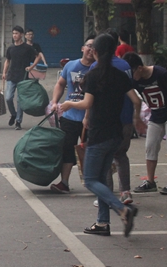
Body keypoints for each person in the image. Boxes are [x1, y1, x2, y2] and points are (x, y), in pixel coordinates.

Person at [60, 33, 142, 237]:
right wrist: (137, 119)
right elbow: (136, 100)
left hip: (99, 134)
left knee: (90, 180)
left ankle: (122, 209)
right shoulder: (120, 75)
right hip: (116, 133)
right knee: (102, 180)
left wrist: (69, 103)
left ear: (95, 51)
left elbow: (87, 103)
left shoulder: (93, 75)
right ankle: (102, 223)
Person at [123, 52, 167, 195]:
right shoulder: (134, 80)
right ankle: (150, 181)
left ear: (139, 68)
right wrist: (136, 118)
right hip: (156, 115)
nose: (132, 77)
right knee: (150, 146)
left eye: (133, 72)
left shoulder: (160, 73)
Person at [92, 28, 136, 206]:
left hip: (106, 120)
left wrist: (86, 117)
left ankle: (106, 195)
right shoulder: (125, 66)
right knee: (121, 155)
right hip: (126, 117)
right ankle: (125, 192)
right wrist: (137, 118)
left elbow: (92, 99)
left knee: (105, 158)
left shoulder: (97, 68)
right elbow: (134, 96)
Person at [48, 36, 96, 194]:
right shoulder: (71, 65)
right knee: (67, 149)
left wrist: (88, 116)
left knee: (91, 151)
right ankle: (64, 183)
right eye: (89, 46)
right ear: (83, 48)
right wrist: (55, 102)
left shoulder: (97, 69)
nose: (91, 49)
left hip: (90, 119)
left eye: (94, 47)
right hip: (69, 117)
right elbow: (60, 84)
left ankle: (95, 184)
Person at [2, 26, 37, 130]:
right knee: (8, 98)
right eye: (13, 33)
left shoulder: (27, 48)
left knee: (20, 100)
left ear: (21, 35)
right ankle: (13, 114)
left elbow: (38, 57)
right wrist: (4, 72)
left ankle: (18, 121)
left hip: (23, 77)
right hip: (11, 76)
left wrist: (31, 67)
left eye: (16, 33)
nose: (14, 35)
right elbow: (7, 60)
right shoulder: (11, 48)